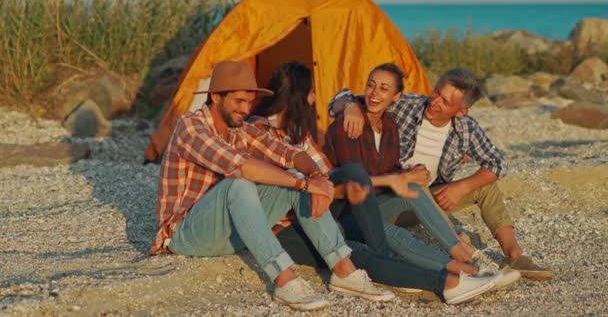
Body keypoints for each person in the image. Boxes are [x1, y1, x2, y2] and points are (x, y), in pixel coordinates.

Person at [149, 60, 396, 312]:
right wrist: (304, 184)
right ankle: (284, 280)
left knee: (291, 174)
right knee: (241, 183)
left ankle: (344, 271)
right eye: (238, 102)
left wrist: (315, 176)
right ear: (215, 96)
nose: (245, 109)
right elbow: (243, 166)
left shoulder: (242, 129)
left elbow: (290, 153)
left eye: (249, 102)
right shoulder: (190, 126)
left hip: (231, 233)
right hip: (186, 235)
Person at [249, 61, 501, 305]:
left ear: (396, 96)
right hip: (287, 228)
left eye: (384, 89)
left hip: (326, 213)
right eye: (312, 93)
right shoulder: (261, 132)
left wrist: (401, 176)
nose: (315, 100)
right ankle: (445, 281)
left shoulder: (304, 134)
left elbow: (323, 178)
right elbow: (315, 177)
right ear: (295, 96)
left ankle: (462, 266)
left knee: (393, 215)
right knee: (365, 250)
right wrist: (349, 106)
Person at [327, 67, 553, 281]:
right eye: (436, 92)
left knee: (486, 186)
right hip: (393, 196)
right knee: (417, 181)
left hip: (429, 196)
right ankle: (463, 254)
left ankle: (515, 256)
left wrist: (460, 187)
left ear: (462, 111)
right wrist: (351, 106)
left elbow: (497, 163)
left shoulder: (466, 128)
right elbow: (345, 99)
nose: (434, 102)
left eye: (445, 102)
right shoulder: (406, 105)